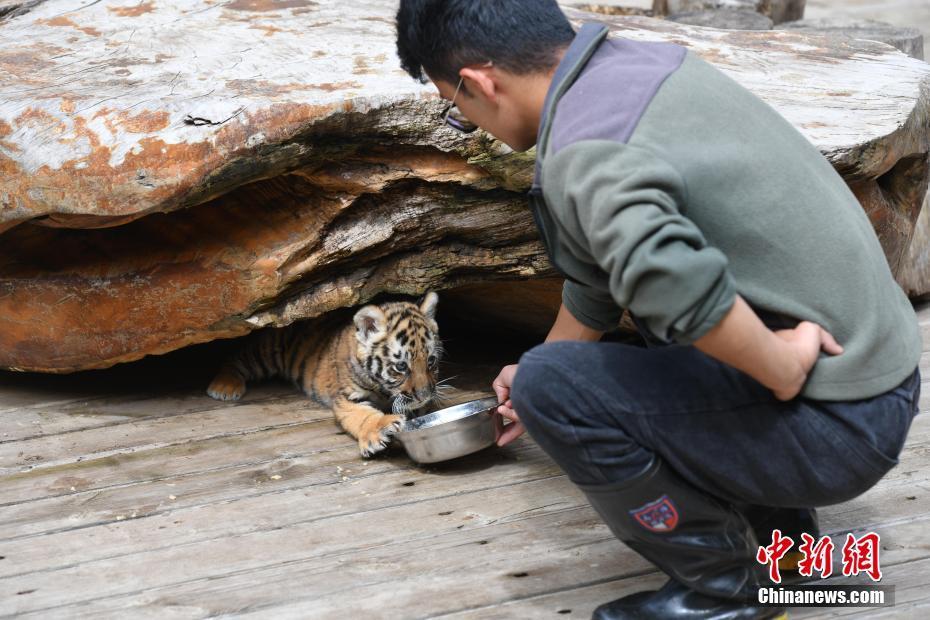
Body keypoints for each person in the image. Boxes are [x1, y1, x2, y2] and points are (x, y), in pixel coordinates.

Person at [395, 1, 922, 618]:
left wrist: (781, 364)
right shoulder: (639, 70)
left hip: (835, 423)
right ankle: (787, 552)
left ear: (480, 82)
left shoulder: (587, 147)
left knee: (564, 380)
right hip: (876, 380)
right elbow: (599, 280)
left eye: (455, 110)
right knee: (556, 373)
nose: (468, 122)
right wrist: (540, 369)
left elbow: (668, 280)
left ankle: (724, 593)